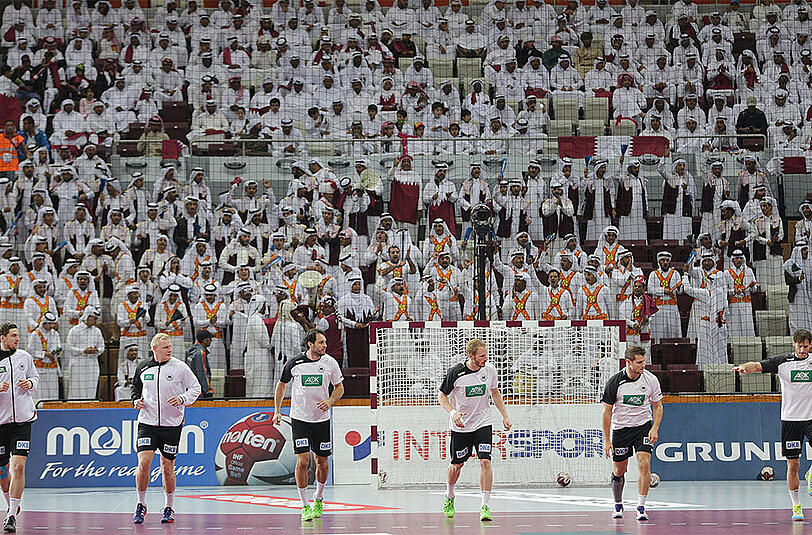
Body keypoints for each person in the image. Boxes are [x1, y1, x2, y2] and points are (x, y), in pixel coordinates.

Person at [734, 329, 812, 522]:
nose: (802, 350)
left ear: (810, 346)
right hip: (791, 420)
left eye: (806, 346)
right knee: (793, 464)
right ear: (794, 344)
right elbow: (758, 365)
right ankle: (796, 506)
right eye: (799, 346)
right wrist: (745, 367)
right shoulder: (783, 362)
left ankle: (811, 474)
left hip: (810, 417)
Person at [273, 329, 344, 522]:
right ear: (310, 344)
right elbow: (281, 385)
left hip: (321, 419)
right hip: (300, 419)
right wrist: (277, 411)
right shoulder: (295, 363)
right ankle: (304, 505)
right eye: (321, 342)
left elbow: (340, 388)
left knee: (321, 461)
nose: (325, 346)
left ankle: (318, 498)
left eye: (325, 342)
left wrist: (330, 401)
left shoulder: (330, 362)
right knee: (303, 462)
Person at [131, 333, 201, 525]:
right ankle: (141, 504)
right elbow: (135, 387)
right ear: (154, 348)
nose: (170, 350)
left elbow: (196, 388)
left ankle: (169, 507)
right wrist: (135, 401)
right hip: (147, 423)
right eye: (165, 347)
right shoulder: (143, 367)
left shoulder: (180, 367)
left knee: (167, 467)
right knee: (143, 463)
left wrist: (182, 399)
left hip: (171, 425)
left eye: (170, 346)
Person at [439, 339, 510, 522]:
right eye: (481, 356)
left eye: (486, 355)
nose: (485, 359)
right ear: (471, 356)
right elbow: (442, 395)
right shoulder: (456, 372)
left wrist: (505, 415)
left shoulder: (489, 370)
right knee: (457, 465)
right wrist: (453, 412)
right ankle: (449, 495)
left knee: (485, 461)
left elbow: (495, 392)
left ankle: (485, 506)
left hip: (483, 422)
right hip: (461, 426)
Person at [601, 345, 663, 522]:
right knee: (619, 469)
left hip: (643, 427)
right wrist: (607, 439)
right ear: (628, 362)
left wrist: (654, 428)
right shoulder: (615, 382)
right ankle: (618, 504)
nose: (643, 365)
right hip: (621, 429)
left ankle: (641, 507)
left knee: (644, 464)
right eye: (639, 362)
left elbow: (658, 406)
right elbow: (606, 412)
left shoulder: (650, 380)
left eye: (644, 361)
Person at [0, 323, 38, 533]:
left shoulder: (25, 357)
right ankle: (10, 504)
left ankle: (12, 515)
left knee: (19, 467)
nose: (17, 338)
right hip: (1, 423)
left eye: (17, 335)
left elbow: (35, 378)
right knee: (2, 471)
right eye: (13, 335)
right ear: (3, 338)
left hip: (23, 421)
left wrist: (30, 384)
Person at [185, 330, 214, 399]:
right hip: (200, 390)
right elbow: (202, 372)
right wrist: (207, 390)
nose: (211, 340)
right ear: (205, 340)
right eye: (210, 338)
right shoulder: (201, 353)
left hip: (191, 388)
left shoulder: (191, 351)